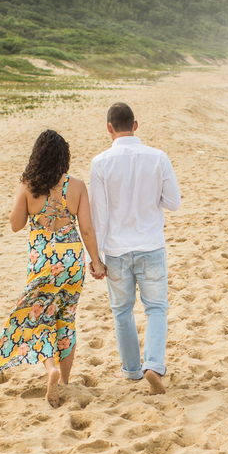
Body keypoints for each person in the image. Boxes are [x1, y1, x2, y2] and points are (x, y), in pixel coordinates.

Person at [0, 129, 106, 408]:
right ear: (63, 157)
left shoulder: (29, 186)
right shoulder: (76, 186)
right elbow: (86, 229)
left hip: (42, 261)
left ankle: (50, 368)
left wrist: (26, 195)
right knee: (67, 317)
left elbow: (15, 224)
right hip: (71, 261)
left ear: (37, 157)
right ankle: (64, 381)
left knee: (40, 315)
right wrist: (97, 261)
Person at [89, 102, 181, 394]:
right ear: (136, 125)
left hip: (116, 250)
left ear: (109, 128)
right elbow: (174, 202)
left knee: (122, 311)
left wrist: (95, 258)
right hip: (151, 246)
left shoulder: (100, 162)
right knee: (156, 308)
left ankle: (131, 370)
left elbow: (98, 215)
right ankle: (153, 365)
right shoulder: (158, 157)